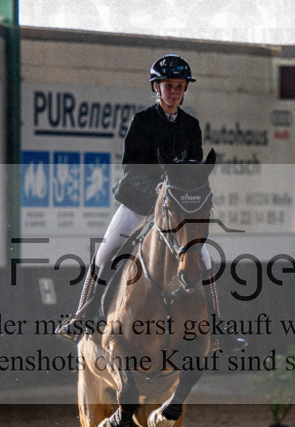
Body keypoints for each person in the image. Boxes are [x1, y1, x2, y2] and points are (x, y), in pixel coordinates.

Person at [57, 54, 246, 353]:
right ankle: (81, 316)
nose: (175, 92)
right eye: (169, 85)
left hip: (175, 209)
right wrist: (157, 188)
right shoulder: (142, 121)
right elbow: (131, 168)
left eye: (180, 86)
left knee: (205, 260)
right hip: (139, 203)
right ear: (156, 87)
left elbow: (194, 171)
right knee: (105, 252)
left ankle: (218, 326)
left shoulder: (191, 125)